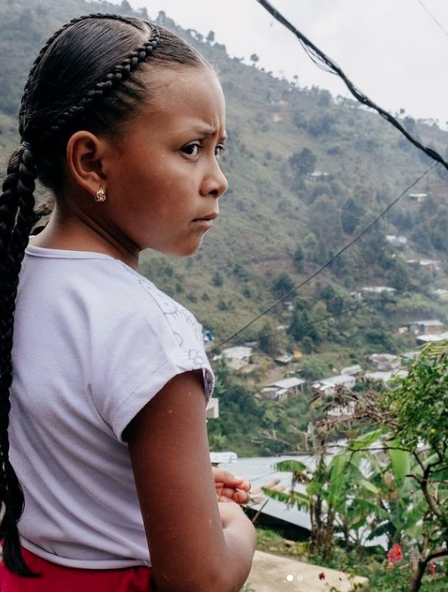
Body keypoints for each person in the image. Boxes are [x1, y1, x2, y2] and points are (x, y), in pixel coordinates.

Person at [0, 12, 256, 592]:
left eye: (220, 150)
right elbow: (201, 579)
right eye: (191, 148)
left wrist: (173, 485)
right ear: (91, 162)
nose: (217, 179)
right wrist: (232, 522)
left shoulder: (16, 277)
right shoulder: (151, 329)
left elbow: (62, 448)